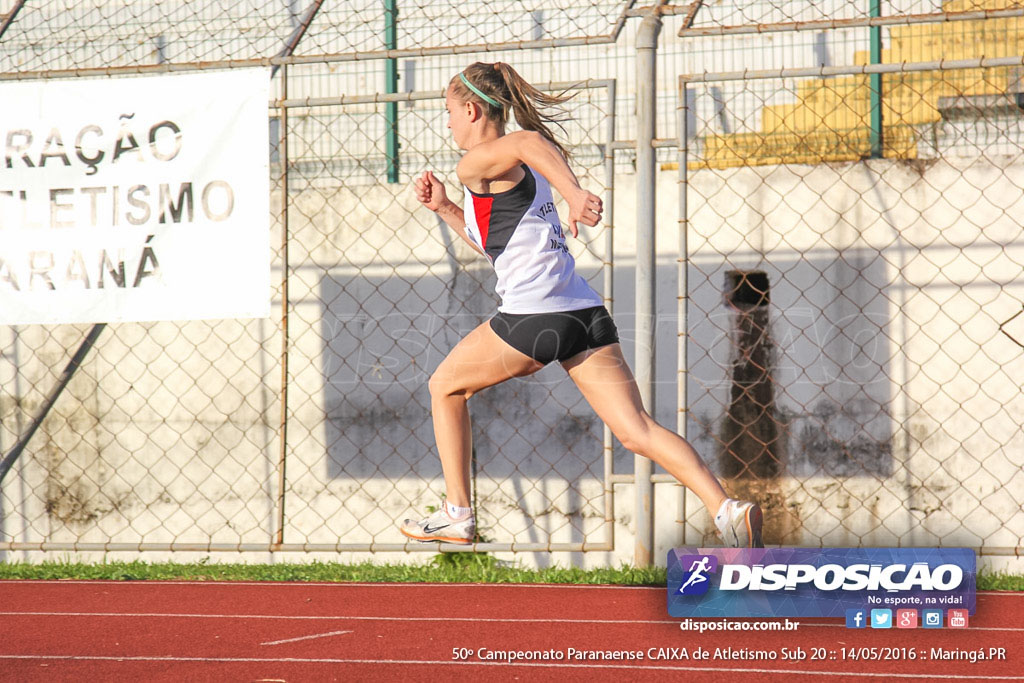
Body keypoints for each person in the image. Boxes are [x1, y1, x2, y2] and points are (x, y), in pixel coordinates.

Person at [400, 62, 763, 548]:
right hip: (583, 314)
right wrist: (445, 208)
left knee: (444, 386)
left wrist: (573, 194)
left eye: (448, 112)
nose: (447, 123)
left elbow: (530, 140)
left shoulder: (482, 160)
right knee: (637, 430)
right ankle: (727, 509)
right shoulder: (507, 170)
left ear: (470, 109)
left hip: (534, 316)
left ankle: (456, 513)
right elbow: (497, 245)